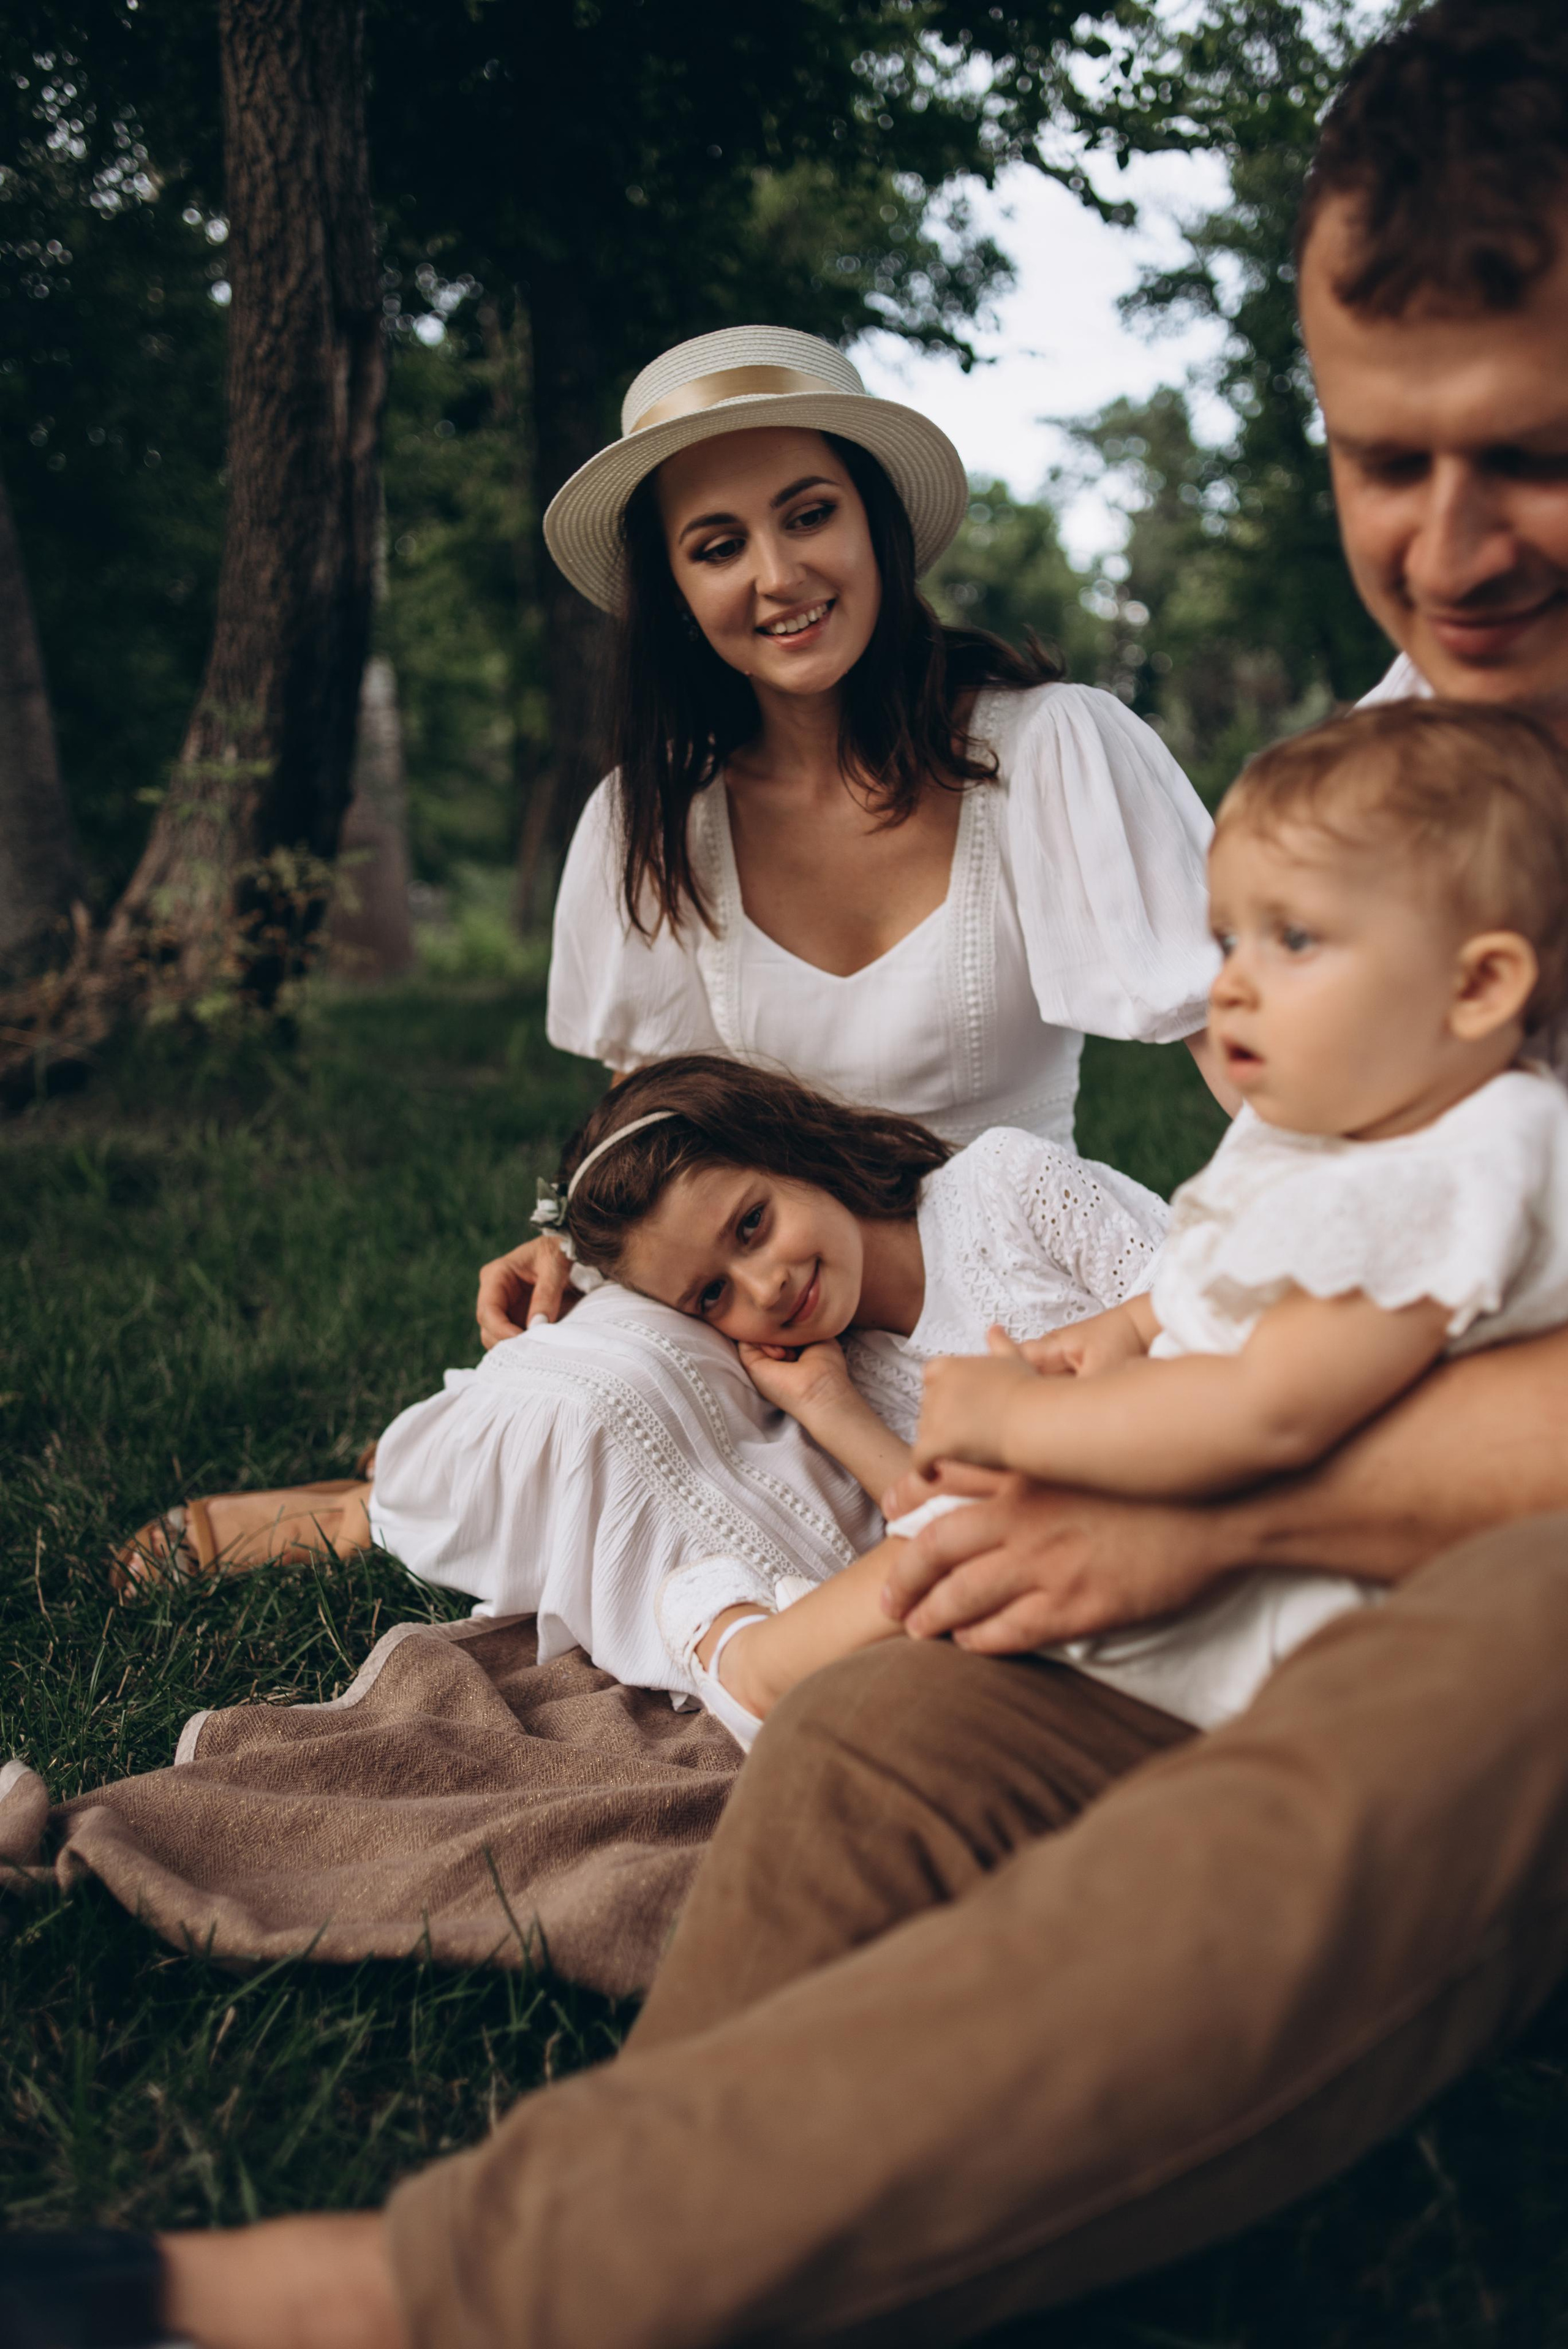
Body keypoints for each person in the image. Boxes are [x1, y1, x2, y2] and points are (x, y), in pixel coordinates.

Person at [131, 5, 1568, 2344]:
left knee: (1441, 1664)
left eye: (1531, 453)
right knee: (870, 1693)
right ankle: (685, 2221)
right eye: (1374, 457)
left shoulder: (1073, 765)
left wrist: (1167, 1464)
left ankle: (427, 2290)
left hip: (1317, 1489)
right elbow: (1276, 1190)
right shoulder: (1398, 771)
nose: (1446, 543)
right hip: (1101, 1409)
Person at [113, 317, 1226, 1586]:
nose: (775, 575)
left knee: (930, 1505)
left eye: (807, 514)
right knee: (590, 1388)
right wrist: (569, 1236)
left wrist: (1323, 1227)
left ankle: (478, 1496)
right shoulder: (648, 824)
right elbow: (643, 1107)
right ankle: (375, 1508)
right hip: (747, 1293)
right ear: (676, 592)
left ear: (874, 523)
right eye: (717, 546)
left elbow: (1242, 1041)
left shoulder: (1048, 751)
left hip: (988, 1281)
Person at [519, 1051, 1166, 1739]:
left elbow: (1216, 1301)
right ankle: (756, 1666)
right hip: (1070, 1587)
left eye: (751, 1226)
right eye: (713, 1294)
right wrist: (831, 1408)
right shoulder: (834, 1381)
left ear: (791, 1152)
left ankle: (742, 1662)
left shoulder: (1003, 1185)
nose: (765, 1287)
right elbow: (943, 1532)